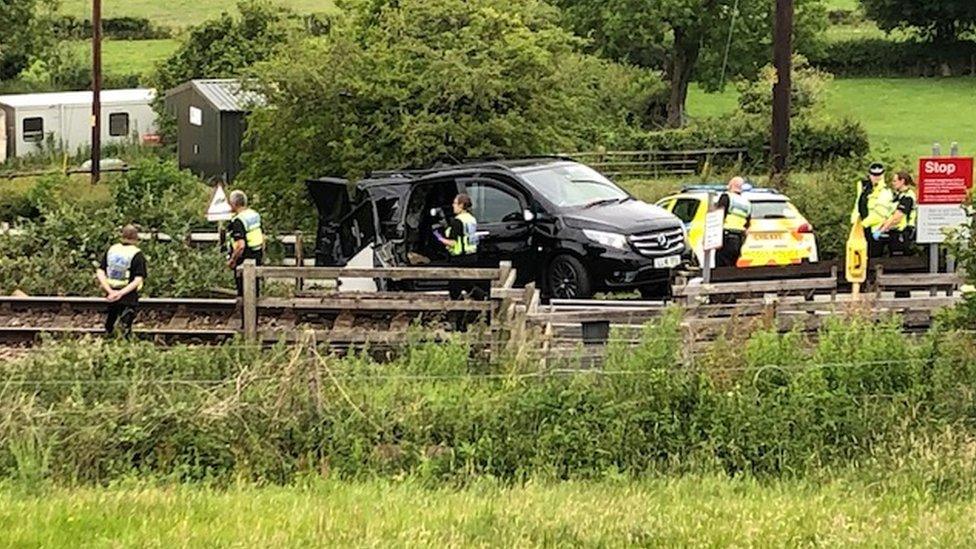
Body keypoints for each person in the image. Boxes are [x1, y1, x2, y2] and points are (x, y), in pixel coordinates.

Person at [95, 224, 147, 338]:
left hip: (111, 293)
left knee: (110, 323)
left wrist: (110, 291)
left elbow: (100, 271)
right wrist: (120, 293)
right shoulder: (136, 254)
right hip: (128, 295)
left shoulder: (112, 249)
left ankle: (107, 342)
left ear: (122, 236)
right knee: (125, 327)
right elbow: (138, 279)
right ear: (136, 238)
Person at [851, 162, 895, 258]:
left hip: (876, 230)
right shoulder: (865, 188)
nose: (876, 177)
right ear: (870, 175)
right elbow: (858, 204)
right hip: (863, 229)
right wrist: (854, 221)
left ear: (883, 175)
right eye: (874, 175)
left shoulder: (885, 191)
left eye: (879, 175)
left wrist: (863, 224)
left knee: (874, 258)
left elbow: (880, 214)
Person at [226, 190, 265, 297]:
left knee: (244, 293)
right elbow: (261, 236)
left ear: (234, 204)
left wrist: (232, 260)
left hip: (244, 259)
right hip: (256, 255)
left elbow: (240, 245)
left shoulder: (238, 220)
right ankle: (255, 313)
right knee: (254, 291)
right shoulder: (254, 215)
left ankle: (246, 313)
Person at [877, 171, 917, 256]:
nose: (893, 183)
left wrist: (881, 230)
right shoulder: (899, 195)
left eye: (895, 181)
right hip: (895, 232)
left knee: (899, 261)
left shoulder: (907, 197)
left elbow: (897, 217)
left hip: (903, 233)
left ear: (902, 181)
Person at [715, 176, 752, 268]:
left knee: (721, 267)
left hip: (726, 237)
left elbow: (718, 217)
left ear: (730, 185)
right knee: (732, 265)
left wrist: (715, 238)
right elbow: (747, 224)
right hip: (738, 239)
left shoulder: (726, 197)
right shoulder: (747, 203)